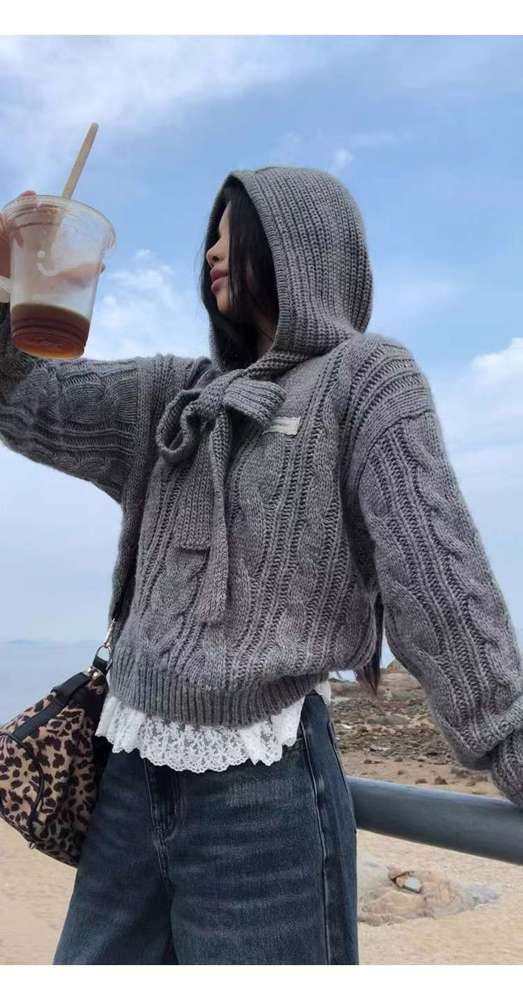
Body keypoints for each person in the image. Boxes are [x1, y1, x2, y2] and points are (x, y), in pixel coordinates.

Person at [0, 167, 521, 966]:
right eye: (207, 236)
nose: (211, 252)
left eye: (230, 231)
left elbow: (436, 581)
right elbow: (25, 396)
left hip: (264, 789)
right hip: (126, 780)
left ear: (300, 242)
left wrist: (509, 743)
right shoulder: (174, 394)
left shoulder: (365, 377)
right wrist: (9, 280)